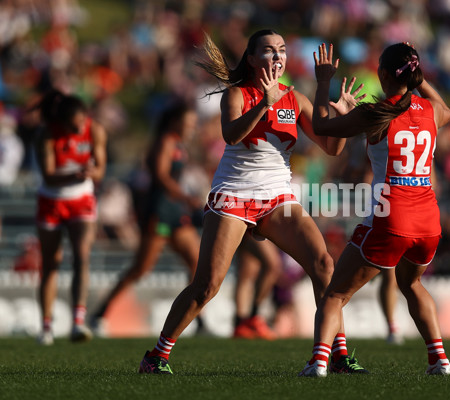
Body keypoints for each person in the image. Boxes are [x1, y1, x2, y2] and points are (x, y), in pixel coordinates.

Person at [138, 29, 367, 374]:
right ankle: (157, 355)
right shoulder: (236, 95)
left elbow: (331, 146)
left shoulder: (295, 97)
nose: (277, 56)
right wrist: (264, 102)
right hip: (234, 196)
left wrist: (338, 107)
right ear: (252, 59)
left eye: (282, 50)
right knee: (207, 286)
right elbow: (231, 135)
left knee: (324, 265)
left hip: (277, 198)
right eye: (269, 50)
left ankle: (337, 356)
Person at [298, 42, 450, 377]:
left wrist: (324, 81)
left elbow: (322, 128)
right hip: (428, 220)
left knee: (335, 294)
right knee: (412, 285)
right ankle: (439, 360)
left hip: (391, 216)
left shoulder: (375, 112)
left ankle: (319, 363)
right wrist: (418, 73)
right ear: (414, 74)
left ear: (382, 74)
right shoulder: (431, 111)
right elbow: (447, 109)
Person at [91, 101, 204, 334]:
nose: (192, 127)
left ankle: (199, 322)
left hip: (175, 213)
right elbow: (161, 176)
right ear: (175, 122)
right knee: (140, 269)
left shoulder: (179, 144)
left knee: (198, 265)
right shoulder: (165, 141)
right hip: (160, 212)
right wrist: (187, 197)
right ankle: (99, 314)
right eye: (188, 123)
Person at [34, 89, 107, 345]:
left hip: (81, 200)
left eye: (81, 124)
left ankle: (78, 321)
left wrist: (91, 172)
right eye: (73, 126)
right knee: (50, 263)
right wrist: (75, 174)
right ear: (62, 122)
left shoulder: (95, 130)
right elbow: (48, 175)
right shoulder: (47, 133)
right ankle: (46, 327)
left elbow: (100, 170)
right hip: (51, 201)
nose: (79, 129)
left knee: (82, 255)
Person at [232, 235, 281, 340]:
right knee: (272, 265)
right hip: (253, 223)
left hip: (255, 224)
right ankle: (254, 317)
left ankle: (240, 324)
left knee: (247, 272)